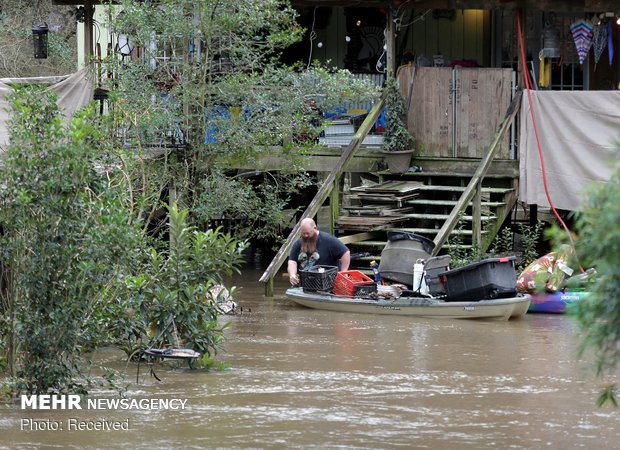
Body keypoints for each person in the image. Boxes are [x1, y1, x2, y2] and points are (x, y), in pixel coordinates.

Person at [287, 218, 350, 286]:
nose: (305, 236)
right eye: (303, 233)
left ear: (315, 228)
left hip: (328, 283)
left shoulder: (329, 240)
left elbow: (346, 253)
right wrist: (292, 274)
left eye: (308, 233)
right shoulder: (299, 243)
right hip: (307, 284)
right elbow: (292, 261)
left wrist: (343, 272)